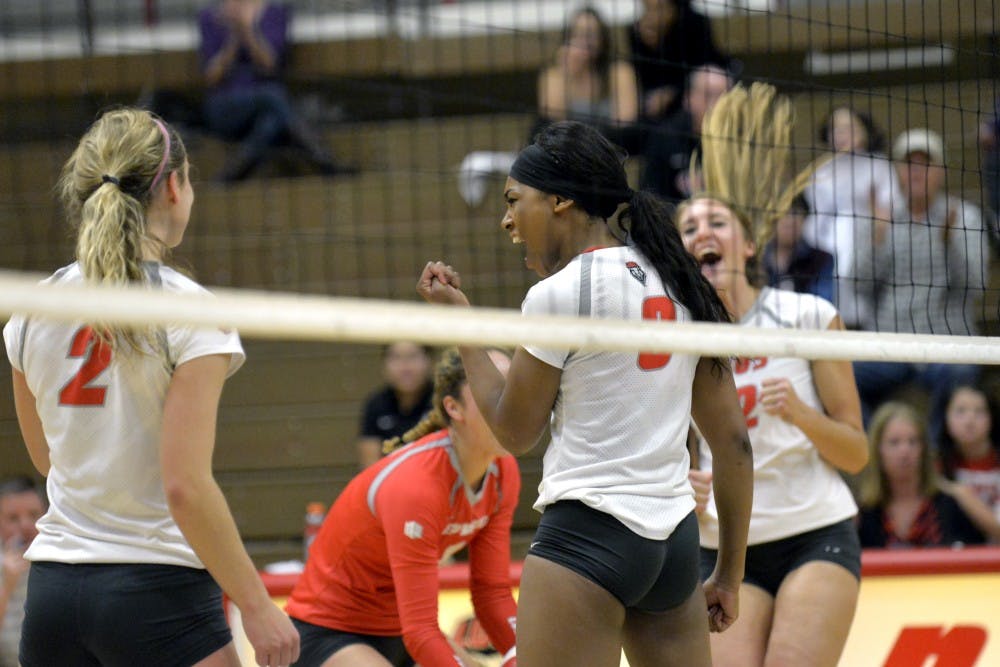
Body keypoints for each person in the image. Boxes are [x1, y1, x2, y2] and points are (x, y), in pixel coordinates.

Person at [418, 119, 753, 667]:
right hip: (673, 548)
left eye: (513, 200)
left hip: (588, 537)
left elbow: (514, 431)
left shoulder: (559, 294)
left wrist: (463, 324)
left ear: (559, 200)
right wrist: (728, 576)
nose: (506, 219)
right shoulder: (680, 282)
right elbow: (735, 444)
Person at [1, 108, 298, 667]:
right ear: (176, 188)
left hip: (54, 597)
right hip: (156, 592)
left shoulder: (32, 308)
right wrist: (258, 607)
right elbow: (184, 486)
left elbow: (47, 459)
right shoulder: (189, 311)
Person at [676, 83, 869, 667]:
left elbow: (857, 453)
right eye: (688, 228)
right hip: (723, 546)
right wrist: (681, 482)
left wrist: (801, 414)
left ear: (750, 243)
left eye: (716, 221)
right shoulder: (672, 340)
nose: (702, 233)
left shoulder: (807, 317)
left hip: (816, 532)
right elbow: (662, 450)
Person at [286, 347, 520, 667]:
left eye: (511, 387)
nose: (510, 404)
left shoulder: (503, 471)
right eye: (491, 389)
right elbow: (421, 631)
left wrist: (523, 654)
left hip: (401, 632)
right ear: (454, 408)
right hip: (330, 632)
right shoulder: (417, 486)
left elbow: (492, 594)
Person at [852, 128, 989, 442]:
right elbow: (860, 286)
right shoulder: (882, 220)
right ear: (899, 172)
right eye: (909, 164)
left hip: (946, 340)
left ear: (939, 172)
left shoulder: (963, 217)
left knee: (961, 375)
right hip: (890, 341)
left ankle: (930, 453)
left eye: (925, 164)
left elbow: (976, 285)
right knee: (839, 375)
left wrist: (950, 243)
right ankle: (877, 449)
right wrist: (877, 239)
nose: (916, 172)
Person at [199, 0, 350, 182]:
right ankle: (322, 158)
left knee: (271, 121)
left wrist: (248, 31)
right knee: (273, 97)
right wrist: (235, 35)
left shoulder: (276, 14)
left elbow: (270, 65)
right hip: (226, 106)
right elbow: (212, 77)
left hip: (269, 106)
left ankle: (232, 175)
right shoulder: (211, 17)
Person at [801, 105, 896, 331]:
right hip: (827, 247)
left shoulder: (879, 166)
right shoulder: (820, 171)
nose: (842, 134)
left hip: (868, 245)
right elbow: (815, 219)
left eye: (849, 127)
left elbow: (889, 212)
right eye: (836, 128)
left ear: (865, 131)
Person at [857, 401, 1000, 547]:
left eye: (913, 442)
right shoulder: (864, 512)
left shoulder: (953, 501)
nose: (905, 452)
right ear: (877, 451)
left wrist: (965, 497)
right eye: (894, 442)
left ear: (924, 450)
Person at [534, 6, 639, 145]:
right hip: (566, 149)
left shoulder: (619, 71)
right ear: (567, 38)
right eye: (577, 34)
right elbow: (553, 123)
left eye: (591, 35)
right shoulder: (553, 74)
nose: (583, 41)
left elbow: (625, 122)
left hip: (610, 146)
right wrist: (567, 74)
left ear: (603, 39)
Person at [640, 64, 732, 204]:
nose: (718, 104)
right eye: (709, 95)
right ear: (689, 98)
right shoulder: (665, 136)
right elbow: (650, 197)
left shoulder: (741, 139)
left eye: (725, 96)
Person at [627, 0, 729, 124]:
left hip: (693, 99)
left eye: (659, 8)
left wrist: (672, 94)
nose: (652, 15)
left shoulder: (696, 23)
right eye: (647, 8)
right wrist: (648, 46)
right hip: (651, 107)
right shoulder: (638, 30)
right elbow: (642, 78)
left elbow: (704, 69)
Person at [356, 342, 435, 468]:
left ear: (429, 361)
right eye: (396, 358)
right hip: (390, 482)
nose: (405, 367)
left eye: (413, 357)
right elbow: (370, 467)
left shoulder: (444, 402)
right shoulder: (376, 405)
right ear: (384, 364)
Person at [0, 477, 45, 667]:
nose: (26, 525)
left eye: (34, 515)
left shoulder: (65, 562)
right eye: (13, 518)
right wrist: (6, 586)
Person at [938, 385, 1000, 523]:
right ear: (945, 419)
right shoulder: (934, 466)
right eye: (960, 411)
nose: (969, 421)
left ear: (992, 418)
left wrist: (960, 494)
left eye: (979, 412)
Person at [761, 195, 834, 303]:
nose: (790, 220)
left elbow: (821, 304)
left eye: (796, 213)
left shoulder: (821, 259)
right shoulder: (756, 258)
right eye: (784, 213)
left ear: (805, 219)